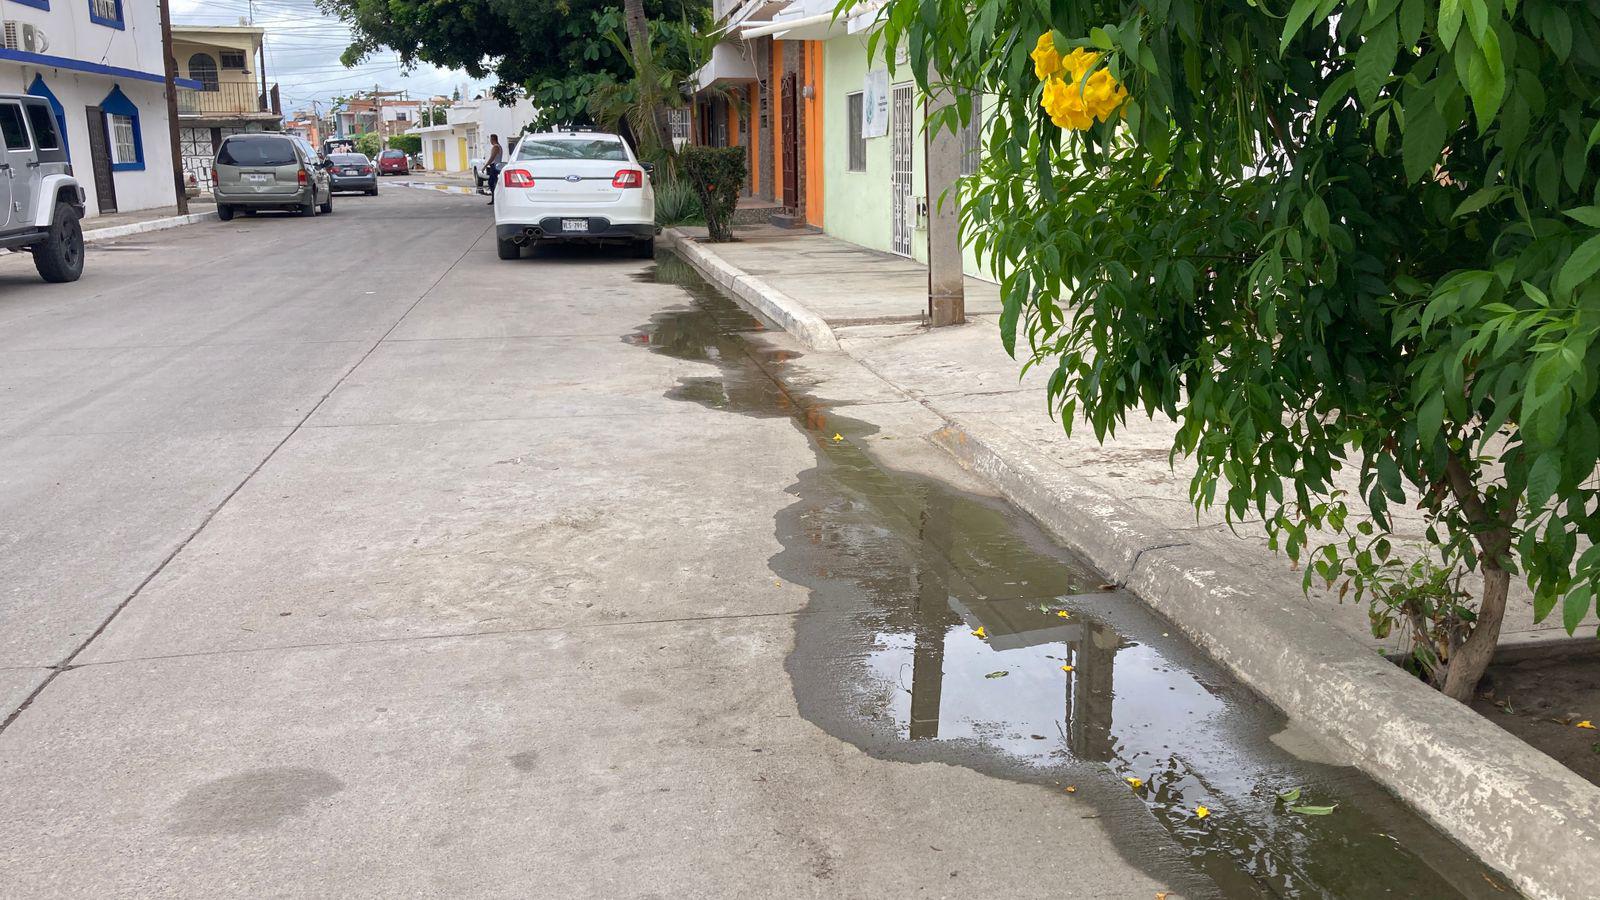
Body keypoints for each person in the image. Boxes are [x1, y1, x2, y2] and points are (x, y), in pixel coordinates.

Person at [484, 134, 504, 205]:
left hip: (494, 166)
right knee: (494, 183)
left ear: (493, 139)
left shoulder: (496, 147)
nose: (490, 141)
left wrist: (485, 166)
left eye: (490, 139)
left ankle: (494, 199)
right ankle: (495, 199)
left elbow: (492, 158)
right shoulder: (499, 147)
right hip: (497, 166)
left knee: (491, 183)